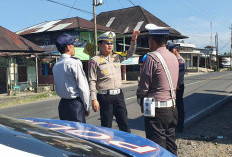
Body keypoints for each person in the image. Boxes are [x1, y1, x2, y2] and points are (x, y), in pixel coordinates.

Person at [137, 24, 179, 155]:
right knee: (170, 143)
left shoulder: (152, 57)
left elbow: (144, 85)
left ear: (152, 40)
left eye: (149, 39)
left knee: (157, 146)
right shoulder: (174, 57)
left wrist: (140, 98)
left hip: (157, 110)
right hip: (172, 107)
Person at [88, 30, 140, 132]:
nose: (110, 45)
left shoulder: (117, 56)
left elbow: (130, 53)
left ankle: (126, 146)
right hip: (105, 97)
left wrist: (133, 40)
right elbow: (92, 80)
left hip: (118, 95)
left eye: (111, 43)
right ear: (100, 44)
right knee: (106, 127)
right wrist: (94, 99)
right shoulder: (95, 60)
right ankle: (107, 147)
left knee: (124, 124)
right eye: (107, 43)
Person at [53, 33, 90, 123]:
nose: (74, 47)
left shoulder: (56, 65)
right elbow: (83, 87)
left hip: (62, 105)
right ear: (68, 47)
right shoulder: (74, 63)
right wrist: (87, 106)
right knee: (79, 134)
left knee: (67, 133)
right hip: (75, 105)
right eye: (72, 45)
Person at [169, 44, 185, 133]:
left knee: (179, 107)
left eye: (171, 50)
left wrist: (177, 86)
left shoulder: (179, 60)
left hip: (178, 86)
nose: (170, 51)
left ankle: (180, 126)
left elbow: (180, 75)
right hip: (175, 86)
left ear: (176, 50)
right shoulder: (175, 59)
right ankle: (176, 125)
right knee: (175, 106)